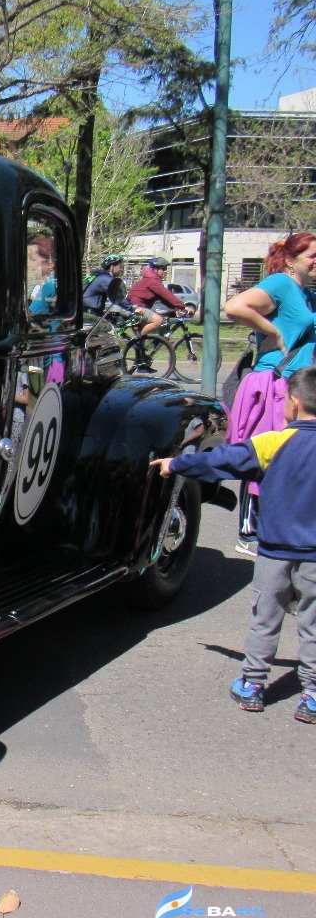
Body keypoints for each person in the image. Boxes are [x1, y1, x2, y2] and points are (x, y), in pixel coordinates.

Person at [150, 365, 316, 725]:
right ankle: (313, 695)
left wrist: (177, 463)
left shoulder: (273, 442)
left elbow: (223, 461)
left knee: (264, 619)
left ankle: (253, 685)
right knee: (313, 622)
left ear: (295, 402)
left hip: (274, 551)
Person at [222, 232, 316, 556]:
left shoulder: (306, 294)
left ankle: (277, 527)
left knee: (289, 458)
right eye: (312, 256)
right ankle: (249, 532)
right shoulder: (281, 284)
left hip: (300, 385)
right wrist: (272, 331)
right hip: (274, 385)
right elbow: (234, 306)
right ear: (291, 260)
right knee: (266, 455)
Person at [126, 257, 188, 371]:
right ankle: (138, 339)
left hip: (140, 308)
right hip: (136, 308)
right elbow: (167, 295)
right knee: (158, 320)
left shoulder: (152, 280)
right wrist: (183, 306)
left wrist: (176, 309)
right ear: (155, 269)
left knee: (162, 323)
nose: (165, 271)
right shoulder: (152, 280)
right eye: (163, 269)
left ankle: (142, 363)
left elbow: (164, 298)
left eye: (166, 269)